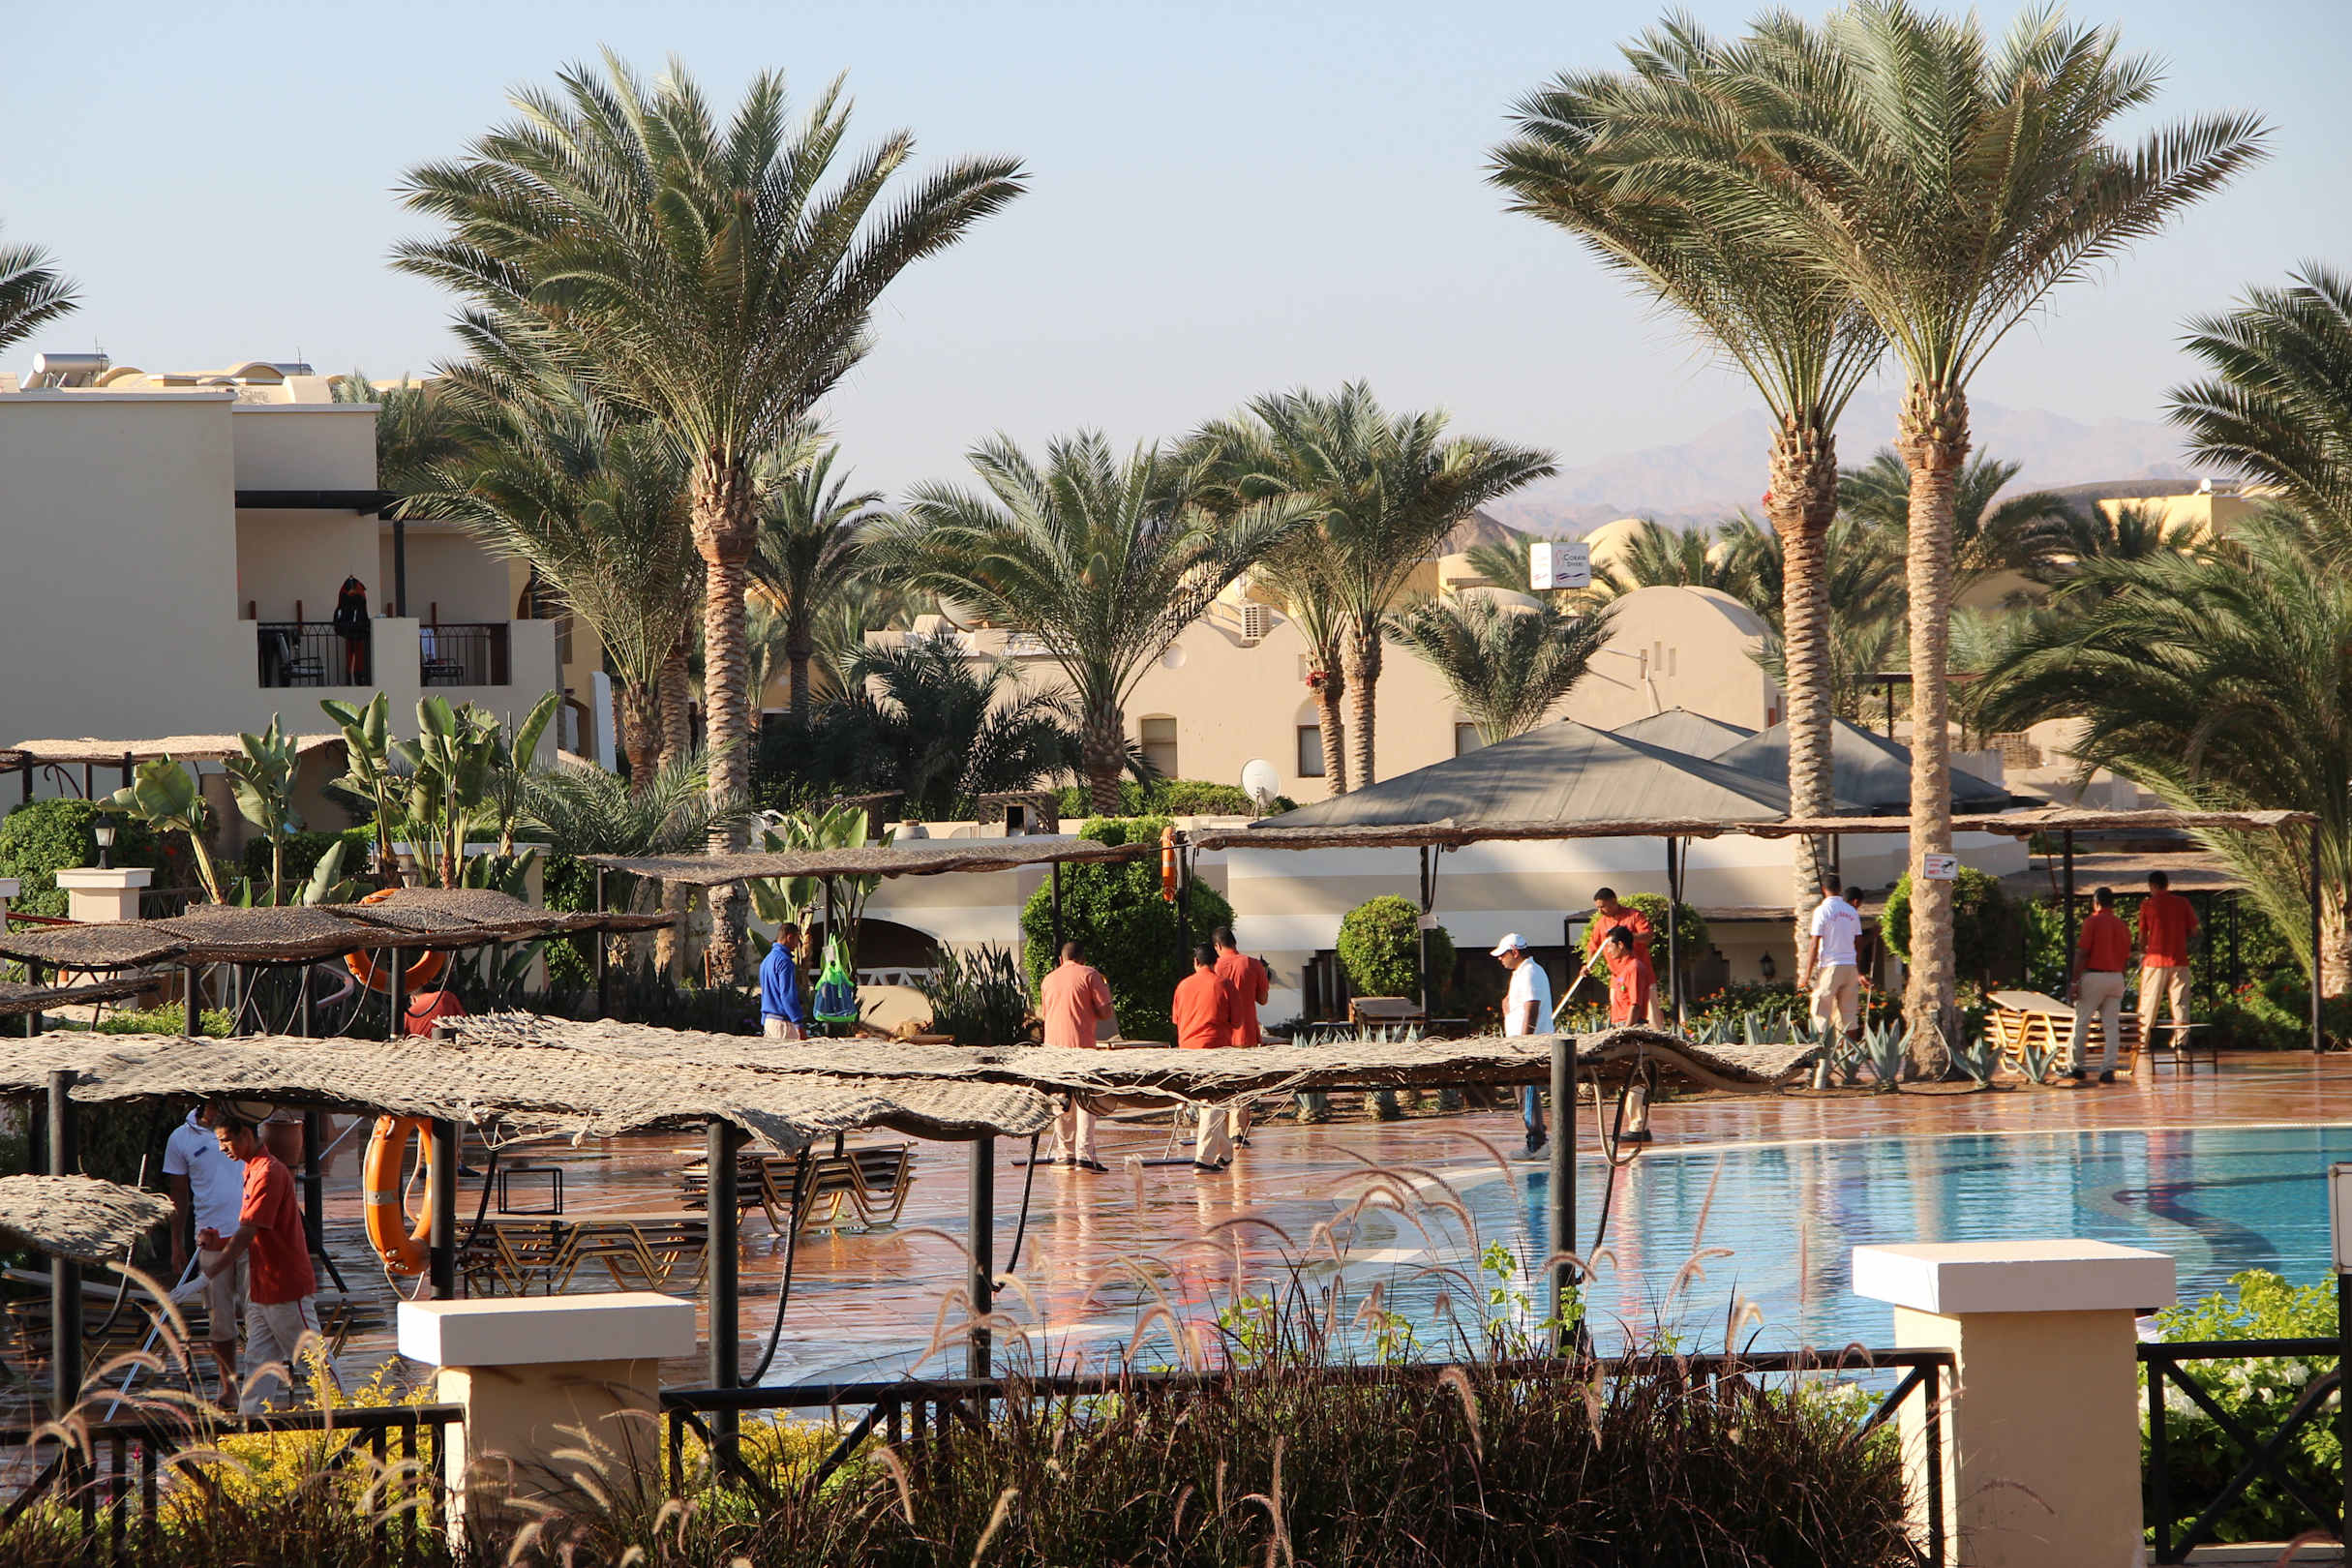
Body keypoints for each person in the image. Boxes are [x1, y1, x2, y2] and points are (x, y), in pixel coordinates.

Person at [199, 1104, 319, 1413]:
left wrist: (210, 1271)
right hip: (262, 1288)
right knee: (258, 1366)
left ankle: (354, 1417)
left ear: (245, 1134)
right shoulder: (251, 1168)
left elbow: (248, 1231)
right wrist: (219, 1242)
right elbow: (253, 1232)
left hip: (285, 1288)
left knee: (315, 1363)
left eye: (226, 1140)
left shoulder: (268, 1172)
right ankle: (250, 1427)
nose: (222, 1148)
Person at [164, 1102, 246, 1396]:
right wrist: (176, 1243)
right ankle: (229, 1389)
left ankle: (260, 1389)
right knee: (220, 1320)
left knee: (259, 1315)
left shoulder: (245, 1125)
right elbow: (178, 1195)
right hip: (212, 1239)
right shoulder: (180, 1138)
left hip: (250, 1236)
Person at [1039, 939, 1117, 1171]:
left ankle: (1065, 1153)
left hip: (1054, 1048)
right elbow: (1105, 1011)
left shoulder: (1048, 979)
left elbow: (1045, 1014)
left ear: (1061, 959)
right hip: (1082, 1047)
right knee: (1085, 1099)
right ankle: (1085, 1154)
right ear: (1083, 958)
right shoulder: (1090, 974)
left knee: (1061, 1099)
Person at [1171, 946, 1238, 1171]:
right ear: (1215, 963)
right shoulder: (1224, 984)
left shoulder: (1182, 986)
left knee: (1207, 1104)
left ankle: (1225, 1152)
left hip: (1188, 1050)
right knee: (1213, 1102)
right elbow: (1237, 1021)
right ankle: (1203, 1159)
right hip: (1215, 1049)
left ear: (1195, 962)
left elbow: (1176, 1020)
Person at [1493, 933, 1554, 1157]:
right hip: (1520, 1044)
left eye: (1503, 955)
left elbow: (1532, 1007)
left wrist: (1524, 1043)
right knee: (1524, 1091)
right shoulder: (1522, 973)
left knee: (1527, 1091)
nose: (1500, 959)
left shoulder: (1530, 972)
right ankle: (1535, 1139)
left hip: (1528, 1046)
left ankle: (1537, 1142)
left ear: (1515, 952)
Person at [1211, 926, 1270, 1148]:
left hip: (1219, 1036)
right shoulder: (1253, 964)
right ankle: (1237, 1133)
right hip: (1246, 1034)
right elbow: (1263, 999)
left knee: (1220, 1083)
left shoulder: (1214, 967)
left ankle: (1221, 1132)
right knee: (1242, 1084)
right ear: (1234, 942)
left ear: (1217, 946)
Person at [2070, 887, 2131, 1083]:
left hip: (2094, 975)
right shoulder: (2122, 925)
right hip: (2116, 977)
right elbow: (2126, 958)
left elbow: (2083, 953)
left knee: (2082, 1022)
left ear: (2096, 903)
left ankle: (2077, 1066)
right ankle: (2108, 1069)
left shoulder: (2092, 921)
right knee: (2111, 1026)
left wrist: (2074, 981)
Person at [2137, 870, 2198, 1057]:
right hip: (2179, 959)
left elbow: (2142, 936)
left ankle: (2142, 1043)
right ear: (2167, 884)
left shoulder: (2148, 904)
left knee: (2149, 1002)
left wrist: (2142, 951)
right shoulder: (2182, 903)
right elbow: (2194, 931)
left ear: (2152, 886)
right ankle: (2181, 1041)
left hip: (2155, 961)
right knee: (2180, 1002)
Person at [1802, 880, 1865, 1042]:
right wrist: (1857, 968)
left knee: (1820, 1009)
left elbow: (1814, 943)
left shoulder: (1822, 910)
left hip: (1831, 965)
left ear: (1824, 889)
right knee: (1849, 1013)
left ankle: (1825, 1050)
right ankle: (1851, 1052)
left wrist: (1806, 975)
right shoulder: (1851, 911)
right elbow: (1858, 942)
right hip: (1850, 966)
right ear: (1840, 889)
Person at [759, 923, 808, 1040]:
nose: (797, 944)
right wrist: (798, 1024)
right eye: (797, 939)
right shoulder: (785, 961)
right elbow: (787, 995)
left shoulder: (766, 961)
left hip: (769, 1021)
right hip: (783, 1023)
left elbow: (765, 993)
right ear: (789, 937)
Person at [1602, 925, 1655, 1027]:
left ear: (1620, 945)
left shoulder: (1634, 968)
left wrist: (1626, 1030)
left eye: (1610, 946)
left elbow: (1635, 1004)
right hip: (1619, 1023)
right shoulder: (1621, 970)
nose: (1608, 951)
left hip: (1630, 1023)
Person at [330, 576, 371, 683]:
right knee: (355, 656)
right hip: (355, 631)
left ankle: (353, 678)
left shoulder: (345, 593)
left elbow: (341, 609)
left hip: (352, 631)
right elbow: (362, 610)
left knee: (353, 656)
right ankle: (356, 678)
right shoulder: (359, 592)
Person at [402, 983, 467, 1038]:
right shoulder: (446, 995)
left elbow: (401, 1039)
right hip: (450, 1045)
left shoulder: (408, 1014)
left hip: (423, 1048)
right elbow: (464, 1022)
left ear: (412, 999)